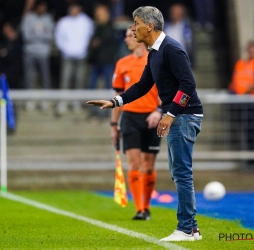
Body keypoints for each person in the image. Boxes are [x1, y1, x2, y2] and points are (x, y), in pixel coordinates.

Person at [87, 6, 203, 242]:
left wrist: (169, 114)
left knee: (181, 172)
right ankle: (191, 228)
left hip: (184, 115)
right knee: (178, 172)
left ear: (149, 26)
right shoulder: (155, 52)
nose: (132, 29)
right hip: (178, 115)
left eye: (136, 23)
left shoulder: (171, 49)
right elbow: (142, 86)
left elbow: (188, 86)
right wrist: (115, 101)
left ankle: (187, 229)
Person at [111, 27, 162, 220]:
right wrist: (113, 125)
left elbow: (166, 90)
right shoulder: (122, 64)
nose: (126, 39)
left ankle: (146, 206)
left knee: (148, 165)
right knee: (134, 162)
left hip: (152, 117)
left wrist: (159, 111)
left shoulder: (156, 61)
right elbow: (117, 96)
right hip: (130, 117)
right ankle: (140, 209)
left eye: (129, 35)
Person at [54, 3, 93, 115]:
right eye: (72, 8)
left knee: (80, 80)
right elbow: (58, 37)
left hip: (81, 55)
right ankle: (63, 102)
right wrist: (64, 49)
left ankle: (77, 103)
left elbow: (89, 36)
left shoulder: (86, 21)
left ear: (79, 9)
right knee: (65, 79)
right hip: (68, 55)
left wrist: (84, 48)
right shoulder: (64, 22)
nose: (74, 10)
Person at [228, 40, 254, 171]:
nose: (251, 52)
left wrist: (243, 93)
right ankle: (250, 160)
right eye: (249, 49)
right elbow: (235, 82)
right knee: (246, 132)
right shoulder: (241, 63)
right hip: (242, 103)